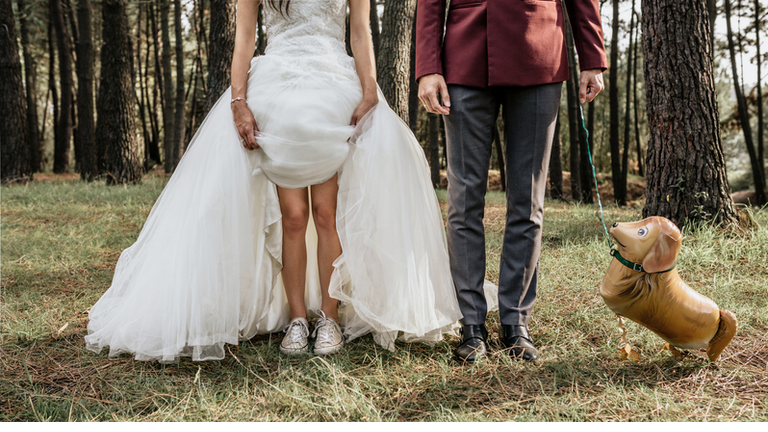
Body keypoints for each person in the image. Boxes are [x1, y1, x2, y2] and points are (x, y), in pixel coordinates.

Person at [85, 0, 463, 363]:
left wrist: (368, 90)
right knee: (293, 215)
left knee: (326, 213)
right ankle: (298, 319)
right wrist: (238, 101)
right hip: (278, 91)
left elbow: (360, 31)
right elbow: (245, 38)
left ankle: (328, 318)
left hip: (332, 90)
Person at [416, 0, 607, 363]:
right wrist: (428, 67)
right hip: (465, 55)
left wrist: (592, 57)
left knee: (528, 200)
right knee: (464, 200)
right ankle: (471, 325)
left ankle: (516, 322)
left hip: (539, 53)